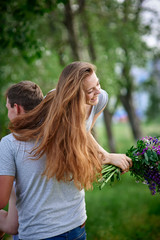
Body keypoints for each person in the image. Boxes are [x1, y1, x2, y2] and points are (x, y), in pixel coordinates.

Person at [0, 62, 132, 240]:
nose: (97, 92)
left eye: (98, 84)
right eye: (90, 90)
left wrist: (105, 155)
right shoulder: (54, 108)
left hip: (74, 224)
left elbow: (83, 132)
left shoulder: (99, 99)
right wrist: (106, 156)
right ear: (73, 92)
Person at [0, 81, 43, 240]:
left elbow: (0, 200)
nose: (9, 114)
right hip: (70, 227)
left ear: (16, 108)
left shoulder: (10, 143)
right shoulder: (56, 135)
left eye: (8, 108)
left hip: (31, 232)